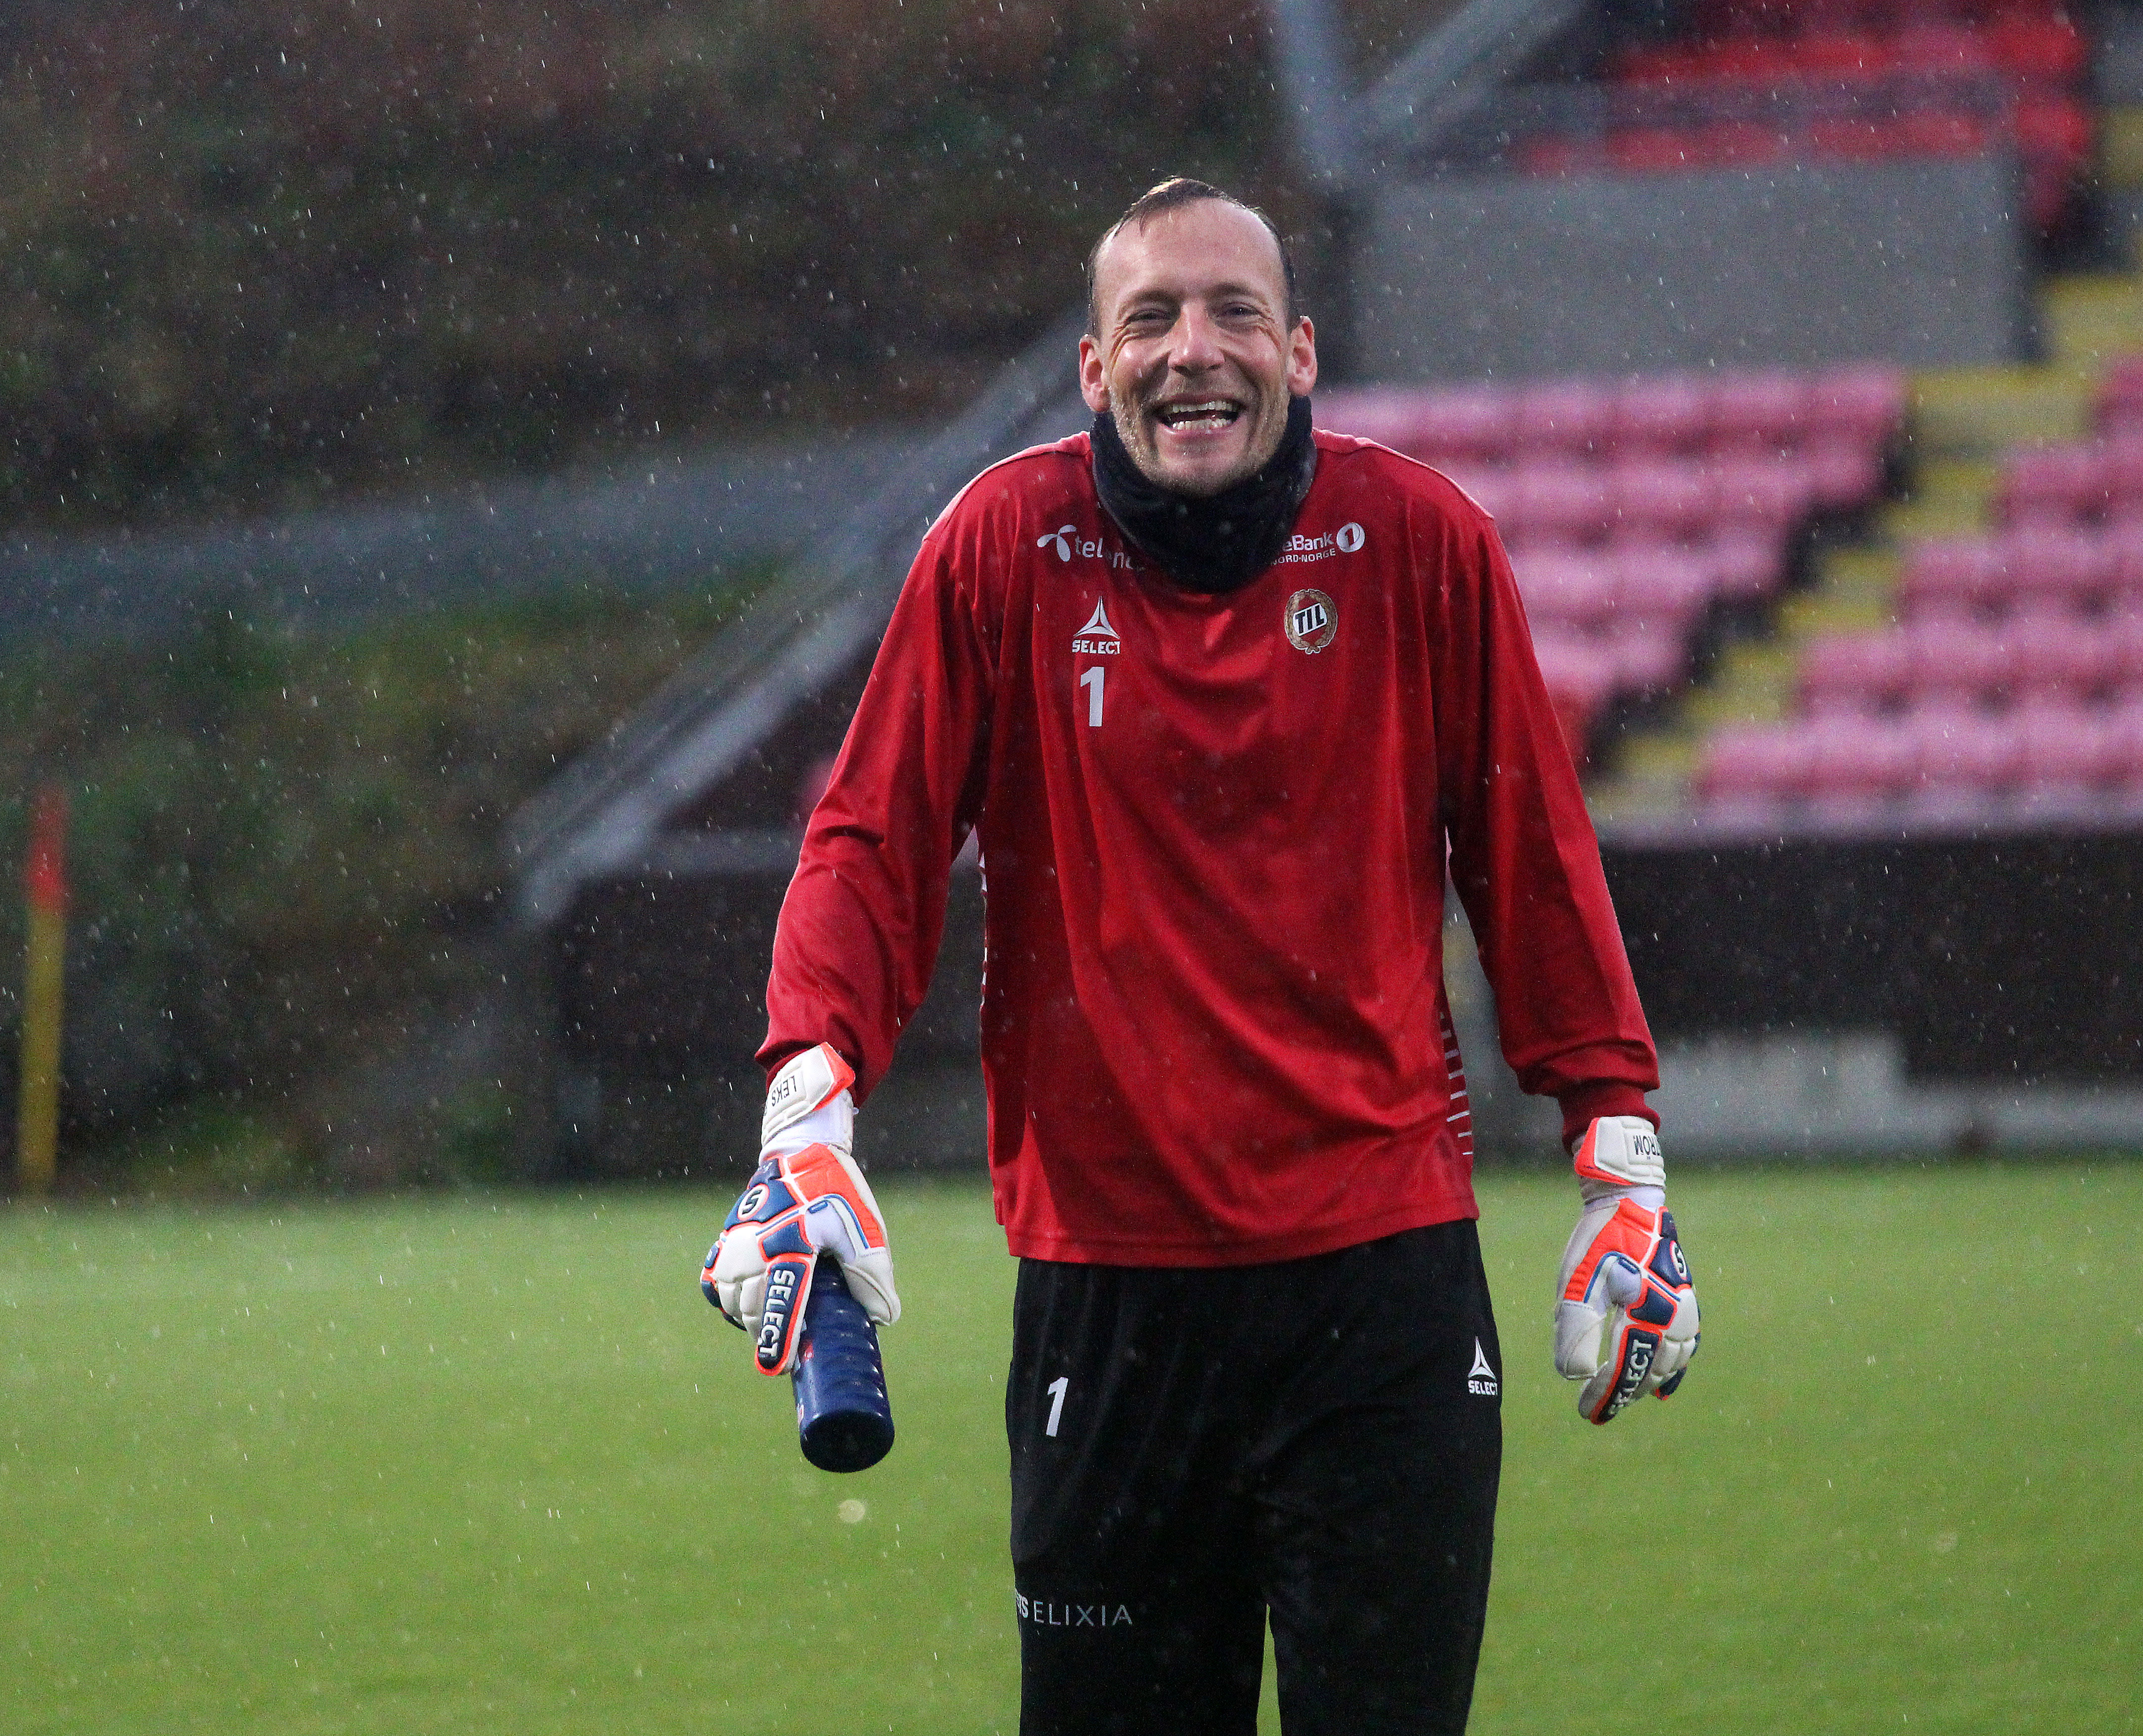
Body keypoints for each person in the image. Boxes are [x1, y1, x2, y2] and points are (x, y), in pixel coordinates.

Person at [700, 178, 1699, 1735]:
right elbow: (868, 844)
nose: (1194, 350)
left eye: (1235, 312)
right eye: (1151, 318)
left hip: (1384, 1296)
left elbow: (1534, 864)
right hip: (1108, 1293)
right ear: (1095, 368)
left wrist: (1619, 1154)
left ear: (1299, 352)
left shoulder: (1424, 542)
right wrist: (804, 1110)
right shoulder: (1000, 547)